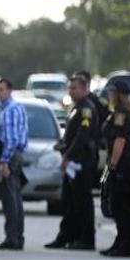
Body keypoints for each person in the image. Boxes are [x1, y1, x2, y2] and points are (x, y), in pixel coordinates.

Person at [45, 75, 98, 250]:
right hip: (72, 164)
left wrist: (67, 156)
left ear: (85, 89)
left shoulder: (86, 110)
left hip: (80, 163)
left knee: (82, 201)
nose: (71, 91)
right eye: (70, 88)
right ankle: (66, 236)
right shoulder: (75, 108)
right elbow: (73, 134)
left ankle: (86, 239)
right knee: (69, 202)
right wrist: (62, 145)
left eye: (75, 88)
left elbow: (83, 136)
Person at [100, 81, 130, 257]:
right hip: (123, 160)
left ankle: (126, 245)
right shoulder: (121, 112)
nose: (109, 95)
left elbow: (120, 140)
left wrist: (112, 165)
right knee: (117, 204)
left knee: (120, 204)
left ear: (119, 95)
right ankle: (120, 241)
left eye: (112, 92)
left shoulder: (122, 113)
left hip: (123, 162)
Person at [0, 77, 28, 251]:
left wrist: (4, 161)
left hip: (9, 155)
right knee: (15, 198)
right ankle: (16, 237)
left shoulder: (10, 111)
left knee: (10, 199)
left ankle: (12, 238)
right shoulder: (17, 108)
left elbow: (12, 140)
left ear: (10, 90)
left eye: (1, 90)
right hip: (15, 154)